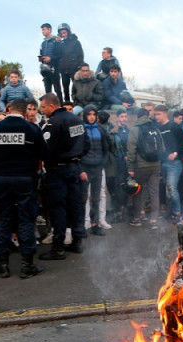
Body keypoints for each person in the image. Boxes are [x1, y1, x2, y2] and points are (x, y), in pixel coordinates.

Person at [0, 98, 50, 278]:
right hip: (25, 179)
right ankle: (27, 266)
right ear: (26, 111)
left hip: (1, 179)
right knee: (26, 221)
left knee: (3, 220)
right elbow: (45, 154)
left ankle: (2, 265)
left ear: (9, 108)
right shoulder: (32, 129)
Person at [38, 93, 88, 259]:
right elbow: (85, 145)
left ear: (52, 106)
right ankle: (77, 240)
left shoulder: (53, 123)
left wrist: (50, 162)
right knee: (75, 205)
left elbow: (46, 150)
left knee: (58, 207)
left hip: (57, 170)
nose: (42, 110)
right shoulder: (77, 120)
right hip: (74, 167)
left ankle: (58, 247)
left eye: (43, 107)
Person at [127, 108, 163, 229]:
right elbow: (162, 148)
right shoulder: (156, 129)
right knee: (154, 193)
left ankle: (137, 218)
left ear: (137, 117)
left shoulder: (135, 129)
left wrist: (130, 167)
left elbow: (131, 150)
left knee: (138, 192)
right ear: (148, 116)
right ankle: (154, 221)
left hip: (141, 166)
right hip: (155, 165)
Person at [79, 105, 110, 236]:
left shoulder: (101, 130)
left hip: (97, 168)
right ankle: (82, 226)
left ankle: (95, 224)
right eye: (89, 114)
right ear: (85, 115)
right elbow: (77, 151)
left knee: (96, 198)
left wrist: (101, 165)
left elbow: (106, 149)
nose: (91, 117)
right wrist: (80, 170)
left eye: (93, 114)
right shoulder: (80, 130)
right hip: (85, 168)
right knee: (83, 198)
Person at [155, 105, 183, 223]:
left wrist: (176, 153)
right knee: (167, 189)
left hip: (175, 164)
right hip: (163, 163)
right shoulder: (158, 127)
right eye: (155, 114)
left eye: (158, 114)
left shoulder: (174, 126)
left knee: (171, 187)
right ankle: (171, 212)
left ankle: (177, 213)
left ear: (166, 114)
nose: (156, 116)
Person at [108, 109, 129, 223]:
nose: (124, 119)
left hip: (126, 164)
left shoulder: (128, 130)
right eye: (121, 116)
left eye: (125, 116)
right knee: (116, 188)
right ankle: (118, 212)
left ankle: (122, 211)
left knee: (125, 186)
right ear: (117, 118)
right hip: (116, 164)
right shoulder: (114, 131)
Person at [56, 23, 84, 104]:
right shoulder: (60, 43)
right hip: (63, 69)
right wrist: (57, 43)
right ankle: (67, 103)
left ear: (68, 32)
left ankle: (78, 102)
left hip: (74, 69)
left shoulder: (75, 42)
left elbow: (80, 55)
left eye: (64, 33)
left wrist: (80, 66)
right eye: (61, 33)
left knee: (76, 86)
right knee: (65, 87)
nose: (63, 35)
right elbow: (57, 54)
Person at [38, 23, 63, 102]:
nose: (43, 31)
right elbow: (41, 53)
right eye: (42, 30)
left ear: (50, 30)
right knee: (47, 91)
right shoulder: (43, 43)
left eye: (44, 29)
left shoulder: (56, 40)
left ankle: (60, 106)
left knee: (57, 90)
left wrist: (51, 58)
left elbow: (60, 54)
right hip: (45, 69)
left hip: (54, 68)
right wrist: (41, 58)